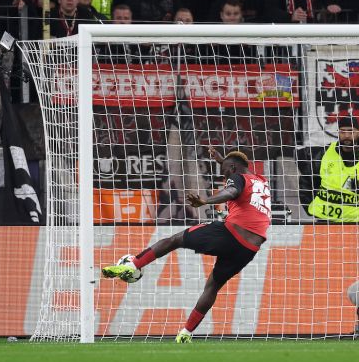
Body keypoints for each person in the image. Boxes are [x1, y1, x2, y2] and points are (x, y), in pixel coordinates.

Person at [102, 147, 272, 344]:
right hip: (248, 249)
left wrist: (205, 200)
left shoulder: (236, 177)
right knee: (213, 286)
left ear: (233, 168)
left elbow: (232, 190)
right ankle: (186, 333)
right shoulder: (261, 181)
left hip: (230, 234)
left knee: (174, 240)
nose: (225, 176)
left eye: (225, 172)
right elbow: (237, 173)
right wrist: (221, 160)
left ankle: (132, 265)